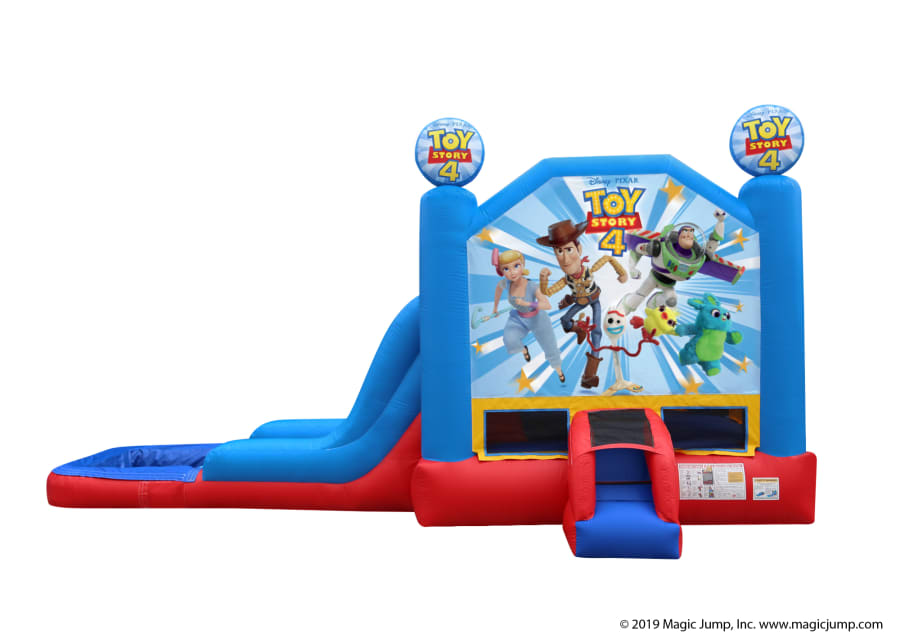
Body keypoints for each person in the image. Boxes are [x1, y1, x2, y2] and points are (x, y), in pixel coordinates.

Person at [536, 219, 627, 389]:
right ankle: (579, 329)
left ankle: (589, 375)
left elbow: (607, 258)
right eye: (559, 251)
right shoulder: (566, 279)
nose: (565, 258)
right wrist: (543, 279)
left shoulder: (589, 271)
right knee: (565, 320)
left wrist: (621, 273)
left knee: (597, 332)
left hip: (594, 299)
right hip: (580, 302)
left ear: (578, 249)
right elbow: (547, 292)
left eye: (568, 249)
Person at [489, 248, 565, 383]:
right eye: (506, 268)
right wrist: (495, 308)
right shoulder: (506, 283)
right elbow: (498, 288)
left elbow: (547, 305)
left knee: (550, 347)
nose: (512, 272)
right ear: (501, 271)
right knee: (509, 340)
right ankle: (524, 350)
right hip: (519, 318)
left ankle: (558, 370)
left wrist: (527, 303)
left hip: (538, 319)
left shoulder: (532, 286)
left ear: (522, 265)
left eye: (516, 266)